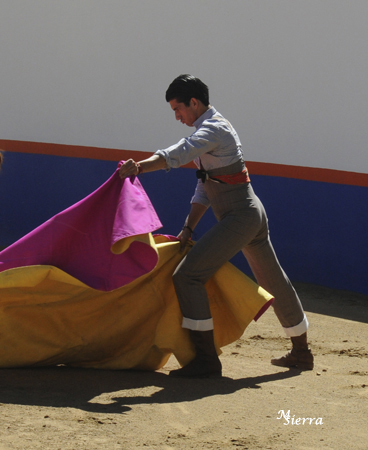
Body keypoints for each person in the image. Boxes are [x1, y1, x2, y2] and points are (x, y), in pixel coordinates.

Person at [119, 74, 313, 378]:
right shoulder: (210, 130)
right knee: (273, 280)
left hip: (241, 218)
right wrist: (188, 227)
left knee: (188, 276)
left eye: (178, 109)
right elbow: (204, 187)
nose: (177, 116)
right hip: (247, 214)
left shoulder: (214, 129)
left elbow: (179, 153)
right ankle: (302, 352)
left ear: (194, 103)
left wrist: (140, 167)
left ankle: (207, 360)